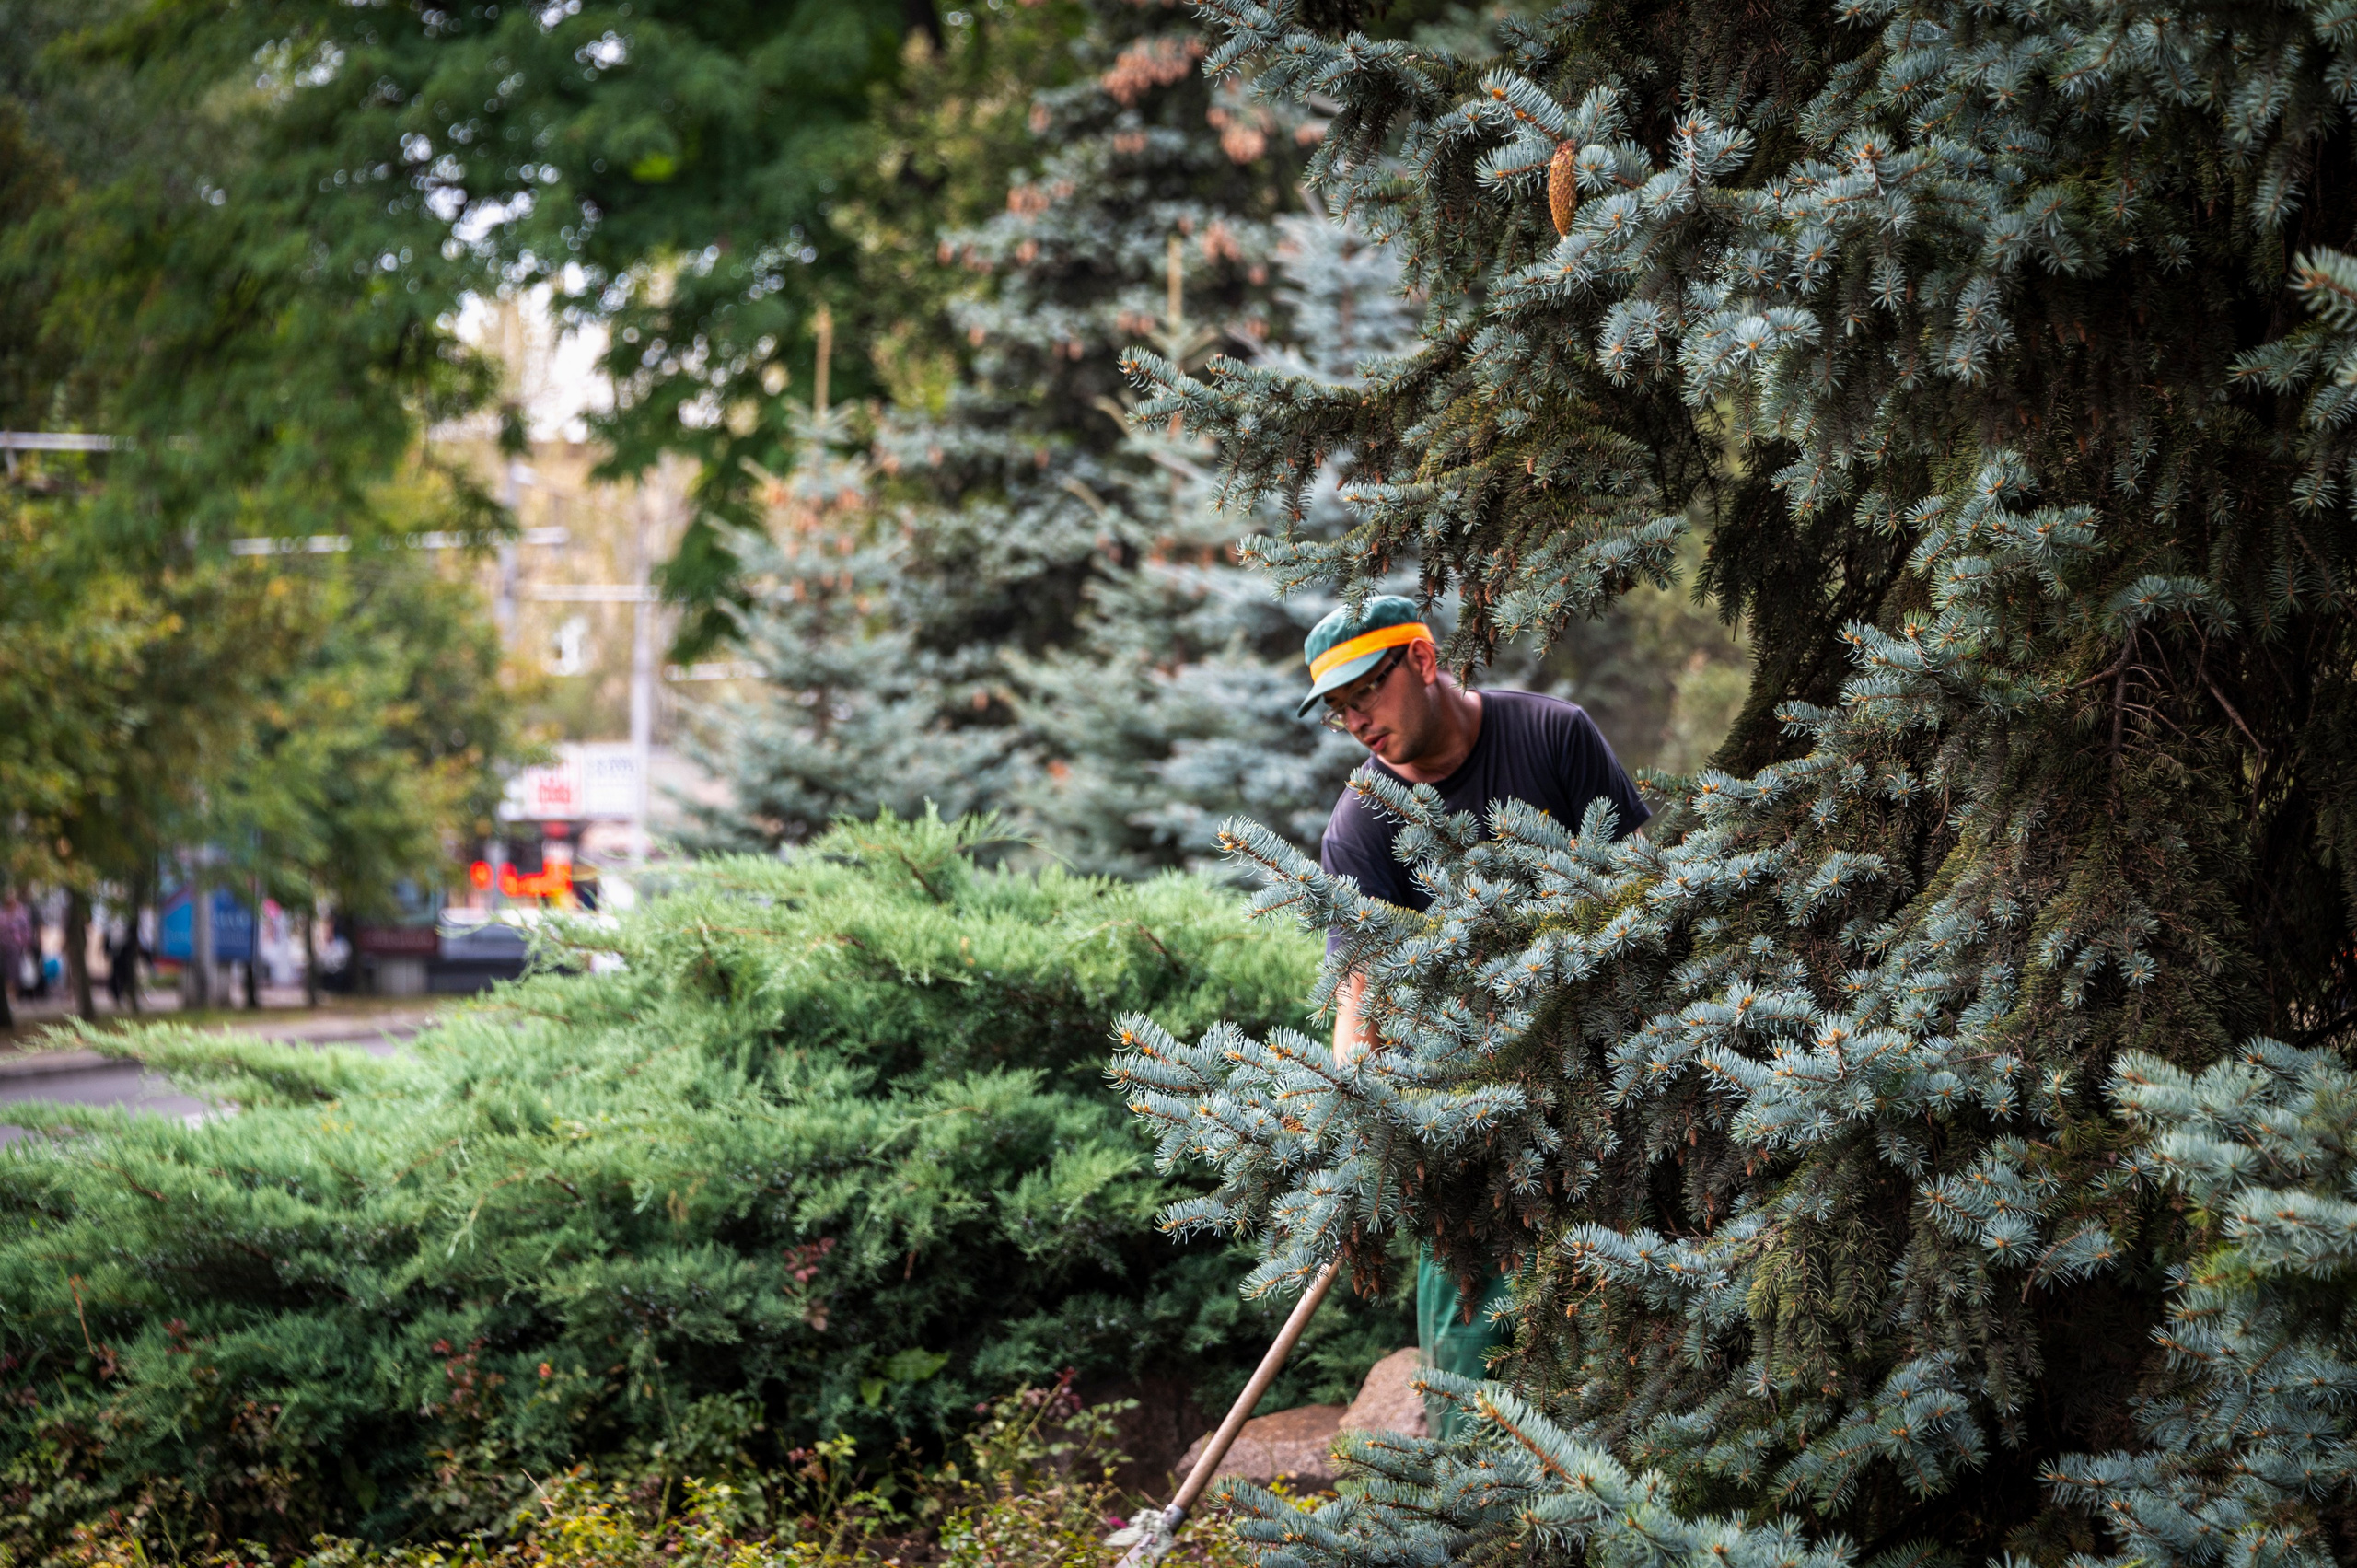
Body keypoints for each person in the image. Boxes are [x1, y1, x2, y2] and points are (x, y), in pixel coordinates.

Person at [1301, 596, 1649, 1436]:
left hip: (1604, 1084)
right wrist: (1361, 1125)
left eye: (1365, 692)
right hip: (1465, 1121)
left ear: (1422, 660)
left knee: (1623, 1336)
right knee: (1473, 1362)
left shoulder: (1553, 735)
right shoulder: (1361, 823)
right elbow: (1360, 994)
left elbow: (1644, 890)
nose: (1356, 721)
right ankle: (1474, 1491)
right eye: (1339, 709)